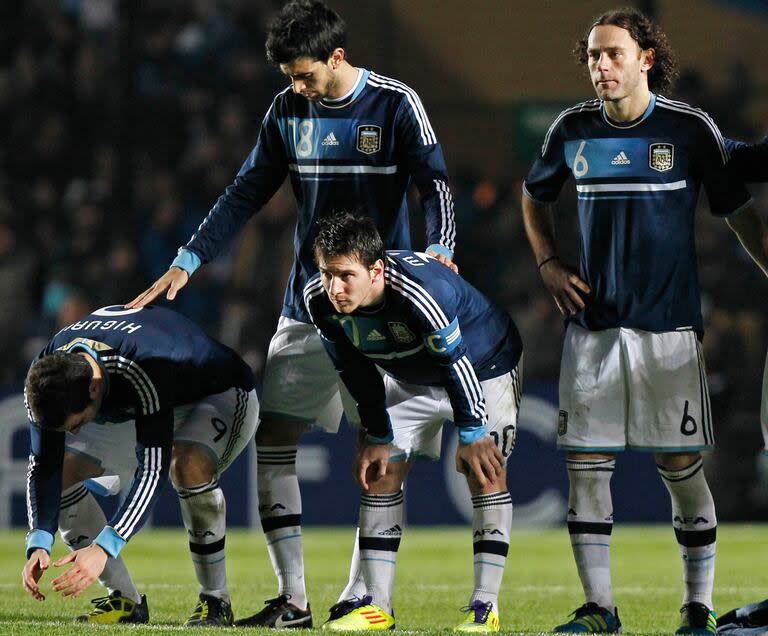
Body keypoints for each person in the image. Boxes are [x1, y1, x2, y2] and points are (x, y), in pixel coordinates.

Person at [127, 0, 457, 627]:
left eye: (304, 75)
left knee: (378, 443)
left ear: (338, 57)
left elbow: (435, 182)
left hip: (380, 311)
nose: (295, 87)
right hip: (306, 304)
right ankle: (294, 600)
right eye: (288, 77)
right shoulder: (287, 111)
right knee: (275, 437)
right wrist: (189, 258)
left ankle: (368, 598)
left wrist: (440, 247)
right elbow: (246, 189)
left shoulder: (395, 103)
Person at [521, 8, 768, 635]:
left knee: (681, 471)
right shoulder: (570, 129)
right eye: (593, 56)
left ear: (645, 59)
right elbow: (533, 195)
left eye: (613, 54)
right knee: (586, 471)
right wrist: (548, 261)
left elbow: (737, 212)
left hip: (669, 335)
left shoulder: (689, 130)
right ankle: (600, 610)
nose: (600, 66)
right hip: (594, 332)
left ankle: (697, 607)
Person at [301, 212, 522, 632]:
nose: (335, 288)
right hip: (407, 374)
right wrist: (377, 433)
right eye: (328, 274)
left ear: (376, 270)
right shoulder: (319, 300)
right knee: (381, 471)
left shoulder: (422, 293)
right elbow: (353, 368)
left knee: (485, 472)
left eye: (346, 275)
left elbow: (455, 362)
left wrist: (473, 431)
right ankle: (377, 606)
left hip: (483, 364)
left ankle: (485, 607)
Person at [22, 304, 258, 626]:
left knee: (185, 466)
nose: (75, 433)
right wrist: (39, 540)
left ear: (93, 386)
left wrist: (104, 546)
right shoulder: (45, 374)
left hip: (220, 393)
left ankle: (216, 601)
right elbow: (44, 465)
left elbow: (152, 470)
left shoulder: (140, 366)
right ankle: (125, 603)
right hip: (148, 403)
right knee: (64, 472)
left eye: (75, 424)